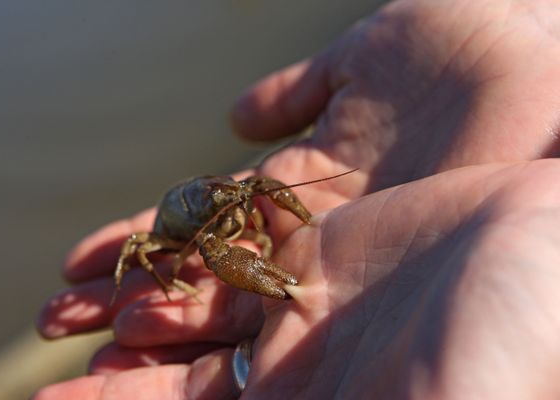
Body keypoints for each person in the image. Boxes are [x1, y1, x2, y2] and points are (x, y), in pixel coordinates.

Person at [35, 0, 560, 398]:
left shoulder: (232, 197)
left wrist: (282, 223)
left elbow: (258, 192)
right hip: (177, 231)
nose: (239, 202)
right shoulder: (182, 233)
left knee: (253, 192)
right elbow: (155, 246)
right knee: (134, 247)